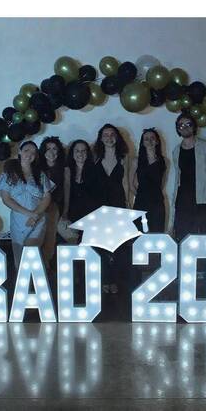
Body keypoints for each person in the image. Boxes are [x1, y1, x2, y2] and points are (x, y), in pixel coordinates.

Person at [0, 141, 54, 268]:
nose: (30, 154)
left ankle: (37, 279)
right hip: (18, 220)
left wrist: (35, 215)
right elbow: (6, 199)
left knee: (31, 253)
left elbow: (47, 197)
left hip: (38, 220)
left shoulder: (40, 174)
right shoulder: (9, 173)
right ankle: (22, 280)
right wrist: (29, 214)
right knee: (19, 259)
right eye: (27, 150)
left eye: (33, 152)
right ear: (20, 152)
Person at [93, 124, 130, 294]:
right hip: (99, 205)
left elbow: (125, 182)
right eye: (105, 135)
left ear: (117, 137)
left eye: (112, 134)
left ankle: (115, 279)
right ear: (101, 138)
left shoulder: (124, 157)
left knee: (118, 245)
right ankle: (104, 280)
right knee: (100, 245)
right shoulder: (95, 157)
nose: (109, 137)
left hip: (118, 204)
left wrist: (128, 204)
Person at [171, 112, 206, 241]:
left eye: (188, 124)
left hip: (204, 199)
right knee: (184, 238)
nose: (185, 127)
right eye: (181, 125)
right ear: (177, 129)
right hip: (183, 201)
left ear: (194, 127)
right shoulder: (176, 151)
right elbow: (177, 178)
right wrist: (174, 200)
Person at [38, 136, 68, 267]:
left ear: (59, 151)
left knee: (50, 238)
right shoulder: (37, 168)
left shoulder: (64, 169)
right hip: (37, 207)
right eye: (48, 149)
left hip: (54, 207)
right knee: (37, 236)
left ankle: (47, 265)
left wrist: (65, 211)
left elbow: (67, 190)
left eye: (54, 149)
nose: (51, 152)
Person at [131, 128, 166, 232]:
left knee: (157, 233)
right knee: (139, 234)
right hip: (141, 202)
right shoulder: (136, 161)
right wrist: (140, 195)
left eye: (152, 138)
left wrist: (154, 196)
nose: (149, 141)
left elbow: (162, 183)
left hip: (157, 203)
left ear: (157, 141)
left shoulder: (164, 161)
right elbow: (131, 183)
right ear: (142, 142)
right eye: (146, 139)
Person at [62, 139, 99, 228]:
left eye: (83, 151)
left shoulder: (95, 169)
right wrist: (65, 211)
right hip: (72, 212)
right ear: (72, 153)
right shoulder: (67, 170)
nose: (80, 153)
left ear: (87, 153)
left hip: (91, 214)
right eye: (77, 151)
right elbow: (66, 191)